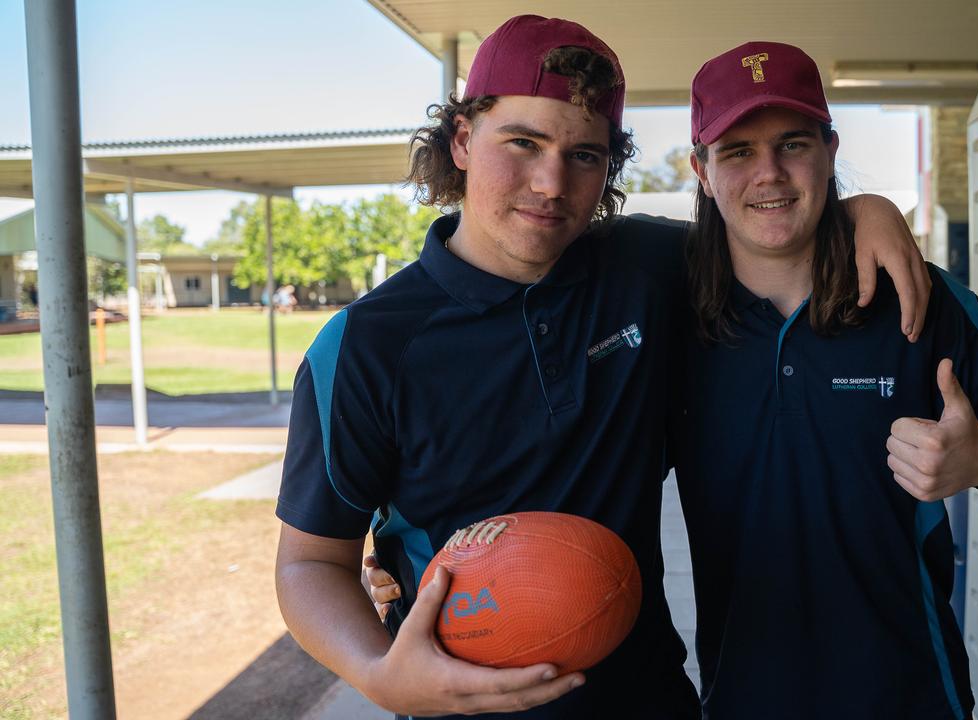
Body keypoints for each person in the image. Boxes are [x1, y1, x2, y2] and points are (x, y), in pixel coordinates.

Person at [275, 16, 931, 720]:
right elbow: (311, 563)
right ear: (462, 139)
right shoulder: (365, 346)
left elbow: (767, 228)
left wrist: (864, 209)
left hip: (650, 700)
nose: (552, 182)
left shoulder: (644, 269)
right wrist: (377, 674)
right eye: (523, 142)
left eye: (585, 155)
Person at [669, 42, 978, 718]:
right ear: (702, 170)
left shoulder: (918, 296)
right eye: (738, 151)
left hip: (910, 688)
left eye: (793, 144)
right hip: (743, 691)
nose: (769, 173)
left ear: (830, 151)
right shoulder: (671, 313)